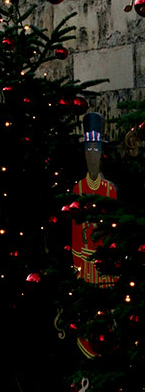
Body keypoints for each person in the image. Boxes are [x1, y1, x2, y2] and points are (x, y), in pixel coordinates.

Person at [71, 112, 118, 358]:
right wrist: (79, 264)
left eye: (96, 150)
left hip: (105, 263)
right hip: (85, 264)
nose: (92, 155)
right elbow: (76, 230)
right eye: (88, 150)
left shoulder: (110, 189)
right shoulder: (78, 189)